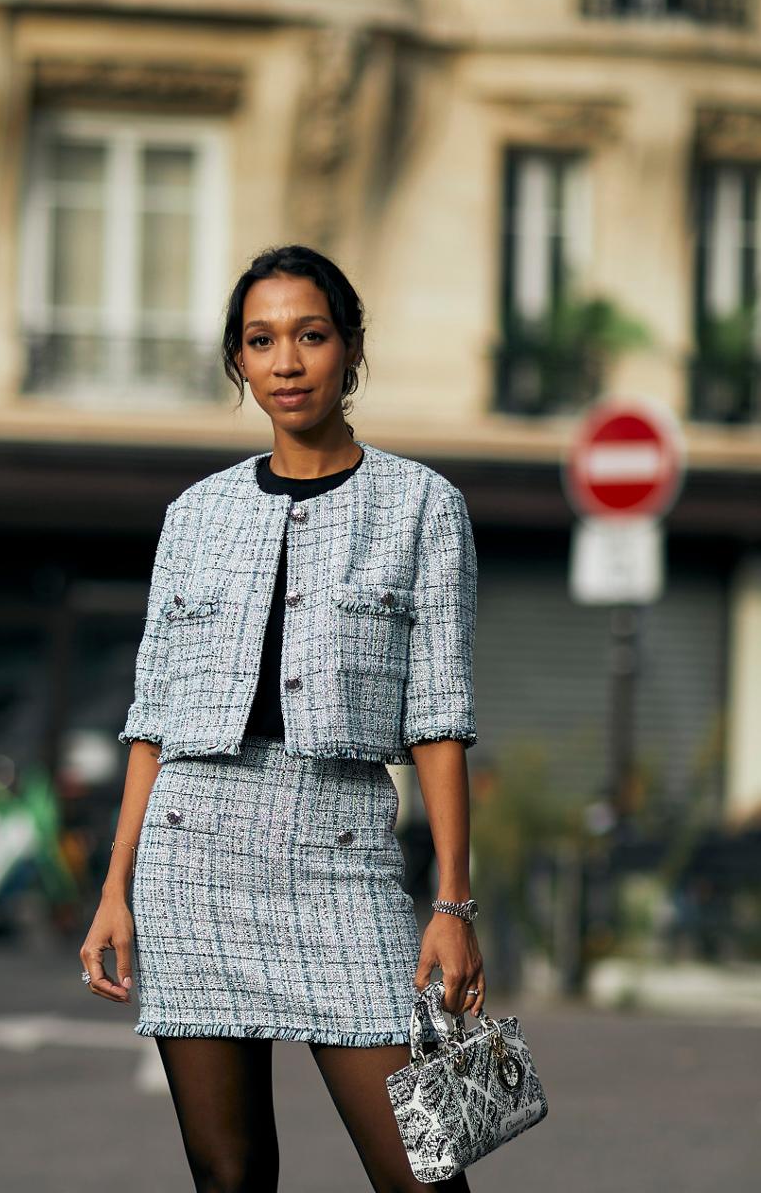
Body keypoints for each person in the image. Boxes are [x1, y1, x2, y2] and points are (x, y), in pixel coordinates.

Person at [79, 245, 483, 1192]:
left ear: (349, 349)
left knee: (428, 1170)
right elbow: (153, 720)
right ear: (238, 362)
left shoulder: (423, 507)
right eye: (261, 341)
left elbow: (440, 715)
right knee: (229, 1177)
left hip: (341, 857)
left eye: (310, 335)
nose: (287, 362)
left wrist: (454, 902)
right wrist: (115, 888)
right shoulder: (195, 515)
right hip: (192, 863)